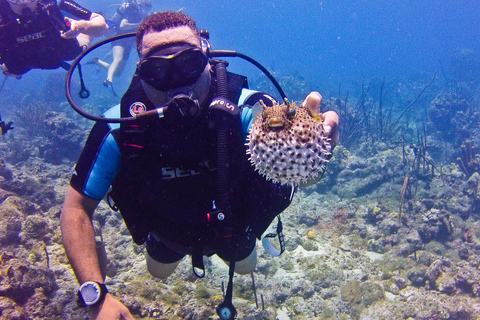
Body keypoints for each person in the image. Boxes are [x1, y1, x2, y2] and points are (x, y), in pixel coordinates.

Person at [60, 11, 339, 319]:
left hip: (234, 227)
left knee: (246, 266)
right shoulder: (119, 128)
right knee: (158, 272)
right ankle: (164, 246)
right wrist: (96, 294)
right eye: (157, 70)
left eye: (188, 64)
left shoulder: (246, 110)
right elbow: (75, 209)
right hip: (167, 231)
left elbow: (281, 132)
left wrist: (311, 141)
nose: (177, 81)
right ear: (140, 73)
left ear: (207, 60)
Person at [0, 0, 109, 77]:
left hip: (59, 51)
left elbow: (103, 26)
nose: (23, 2)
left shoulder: (53, 3)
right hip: (20, 60)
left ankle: (79, 31)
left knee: (74, 51)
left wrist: (82, 26)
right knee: (12, 70)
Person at [89, 0, 151, 93]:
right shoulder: (131, 9)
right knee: (118, 59)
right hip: (119, 39)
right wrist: (139, 24)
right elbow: (122, 25)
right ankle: (108, 81)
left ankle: (98, 61)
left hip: (128, 44)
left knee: (118, 73)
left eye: (148, 6)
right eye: (146, 5)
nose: (146, 9)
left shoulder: (142, 14)